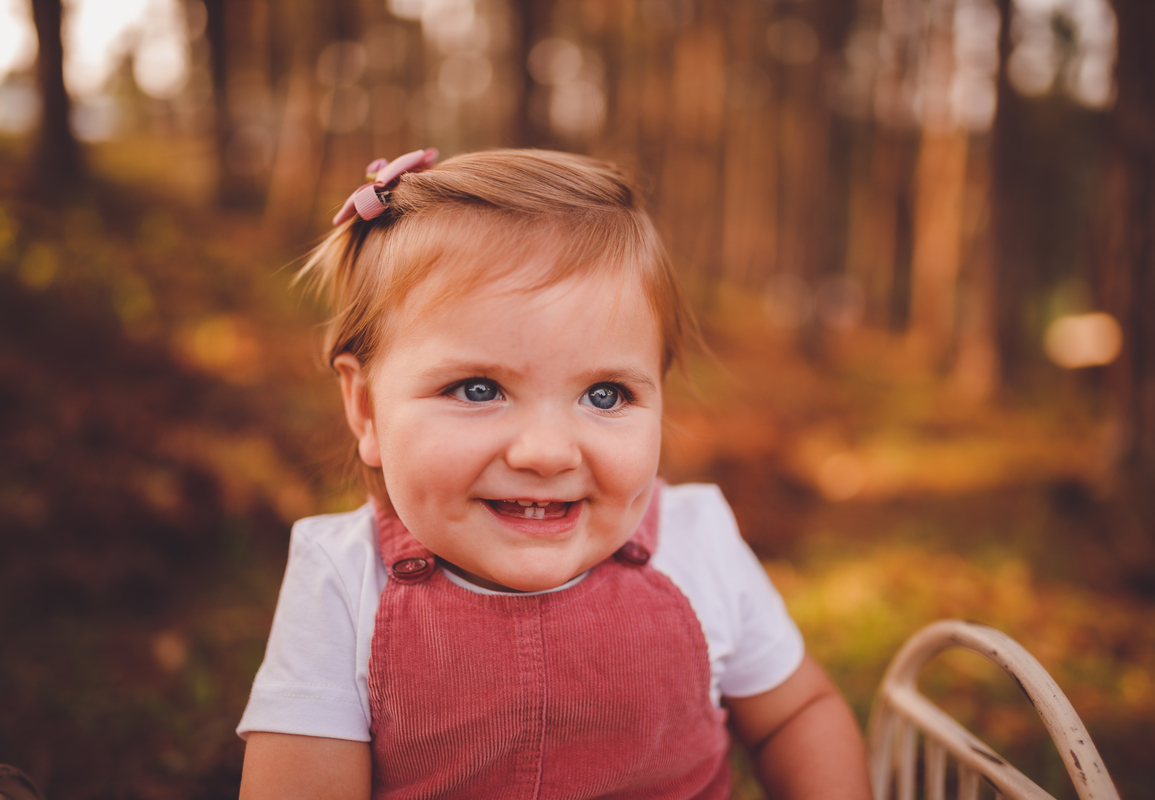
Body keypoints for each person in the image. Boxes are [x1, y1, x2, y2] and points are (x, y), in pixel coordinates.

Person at [236, 148, 871, 800]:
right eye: (478, 389)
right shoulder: (343, 583)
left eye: (604, 396)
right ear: (366, 408)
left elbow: (795, 715)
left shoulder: (697, 542)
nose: (545, 453)